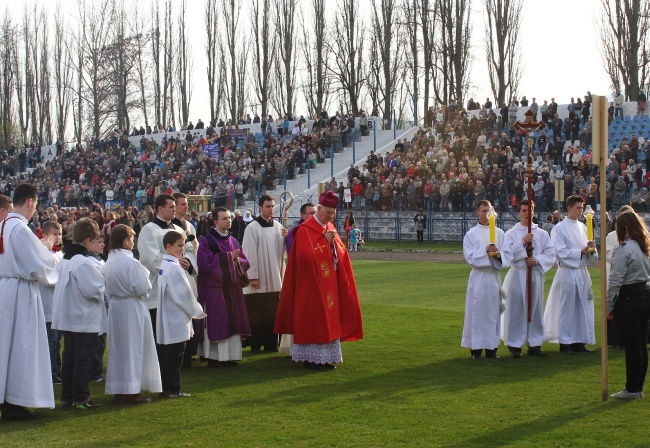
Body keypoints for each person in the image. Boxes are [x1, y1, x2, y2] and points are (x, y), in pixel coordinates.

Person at [275, 191, 363, 370]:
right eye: (328, 212)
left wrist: (331, 245)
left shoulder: (330, 227)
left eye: (333, 213)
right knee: (314, 319)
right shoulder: (305, 230)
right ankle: (310, 359)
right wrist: (325, 244)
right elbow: (305, 258)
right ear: (319, 209)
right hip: (310, 285)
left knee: (329, 320)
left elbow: (341, 253)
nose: (330, 216)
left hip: (329, 283)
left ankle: (326, 358)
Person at [0, 184, 58, 420]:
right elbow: (37, 266)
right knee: (22, 346)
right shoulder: (21, 229)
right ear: (31, 203)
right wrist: (50, 253)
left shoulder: (4, 225)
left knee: (6, 347)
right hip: (21, 292)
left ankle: (9, 399)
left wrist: (40, 249)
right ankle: (16, 401)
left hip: (6, 288)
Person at [52, 218, 106, 410]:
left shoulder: (66, 260)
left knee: (70, 357)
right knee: (82, 358)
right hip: (82, 316)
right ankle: (81, 397)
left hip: (68, 316)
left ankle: (68, 396)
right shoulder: (82, 262)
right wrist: (105, 285)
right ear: (87, 240)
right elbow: (94, 289)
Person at [103, 225, 161, 404]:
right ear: (126, 241)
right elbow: (143, 287)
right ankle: (131, 390)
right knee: (133, 348)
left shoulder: (109, 261)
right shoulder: (130, 262)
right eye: (131, 239)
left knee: (119, 349)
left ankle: (120, 388)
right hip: (131, 307)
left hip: (116, 307)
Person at [197, 208, 251, 367]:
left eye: (229, 218)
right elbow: (205, 264)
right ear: (215, 222)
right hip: (214, 290)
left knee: (232, 320)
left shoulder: (233, 240)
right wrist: (227, 258)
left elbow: (244, 261)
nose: (229, 221)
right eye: (224, 218)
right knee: (217, 321)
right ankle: (214, 358)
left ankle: (230, 356)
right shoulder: (206, 241)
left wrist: (236, 261)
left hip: (232, 289)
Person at [543, 195, 598, 354]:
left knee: (583, 308)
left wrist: (591, 249)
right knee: (566, 308)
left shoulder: (583, 227)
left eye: (582, 208)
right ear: (569, 208)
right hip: (567, 272)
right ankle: (565, 342)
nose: (581, 211)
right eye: (578, 208)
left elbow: (592, 256)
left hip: (581, 272)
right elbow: (558, 252)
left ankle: (579, 341)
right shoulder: (559, 228)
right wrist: (579, 252)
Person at [500, 200, 555, 357]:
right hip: (518, 274)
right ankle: (514, 344)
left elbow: (550, 254)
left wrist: (537, 260)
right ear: (519, 213)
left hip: (534, 274)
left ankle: (534, 343)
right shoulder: (511, 233)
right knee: (516, 309)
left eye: (529, 210)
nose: (527, 214)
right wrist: (523, 241)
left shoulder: (542, 234)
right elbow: (508, 253)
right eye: (524, 210)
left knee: (535, 309)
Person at [137, 195, 193, 348]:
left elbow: (189, 251)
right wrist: (175, 262)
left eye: (175, 206)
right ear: (160, 209)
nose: (175, 210)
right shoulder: (149, 230)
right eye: (171, 207)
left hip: (178, 285)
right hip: (158, 287)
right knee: (158, 333)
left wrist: (187, 261)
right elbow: (150, 258)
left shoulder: (178, 229)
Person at [157, 231, 206, 398]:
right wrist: (198, 311)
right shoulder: (174, 267)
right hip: (176, 315)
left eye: (183, 245)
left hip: (170, 314)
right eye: (179, 246)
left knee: (172, 354)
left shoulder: (166, 265)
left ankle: (170, 388)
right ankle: (171, 389)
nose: (182, 249)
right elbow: (184, 295)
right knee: (175, 355)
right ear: (168, 246)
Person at [606, 211, 650, 399]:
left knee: (632, 346)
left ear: (624, 228)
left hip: (629, 296)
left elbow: (616, 279)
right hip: (644, 293)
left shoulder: (624, 249)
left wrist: (609, 304)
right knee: (640, 345)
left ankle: (632, 388)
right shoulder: (644, 246)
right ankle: (637, 387)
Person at [461, 200, 508, 360]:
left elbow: (508, 254)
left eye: (489, 211)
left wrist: (498, 255)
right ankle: (476, 349)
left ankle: (491, 348)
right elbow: (470, 256)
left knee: (493, 312)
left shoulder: (500, 233)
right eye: (483, 211)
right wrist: (485, 250)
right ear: (477, 212)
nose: (486, 214)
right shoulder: (471, 234)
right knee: (477, 312)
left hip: (493, 277)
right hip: (479, 278)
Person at [241, 195, 288, 352]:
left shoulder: (278, 227)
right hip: (259, 277)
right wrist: (253, 275)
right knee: (257, 312)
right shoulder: (252, 228)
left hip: (274, 275)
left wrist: (286, 239)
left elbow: (283, 253)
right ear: (260, 207)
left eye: (273, 206)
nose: (271, 209)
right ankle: (255, 343)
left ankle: (270, 343)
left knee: (272, 312)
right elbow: (248, 253)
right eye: (268, 206)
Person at [171, 193, 200, 369]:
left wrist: (190, 258)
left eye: (186, 204)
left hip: (189, 268)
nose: (185, 207)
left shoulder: (188, 224)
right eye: (182, 204)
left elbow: (195, 247)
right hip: (177, 269)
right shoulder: (171, 227)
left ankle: (190, 351)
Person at [38, 221, 64, 384]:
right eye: (55, 234)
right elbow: (45, 278)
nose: (58, 237)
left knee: (57, 340)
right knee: (51, 341)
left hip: (58, 304)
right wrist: (62, 279)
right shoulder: (43, 253)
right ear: (45, 235)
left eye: (60, 233)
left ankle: (57, 369)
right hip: (47, 304)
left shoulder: (60, 253)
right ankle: (51, 371)